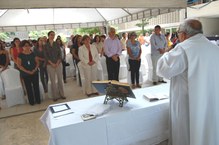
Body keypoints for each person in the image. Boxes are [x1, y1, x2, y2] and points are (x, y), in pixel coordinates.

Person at [157, 19, 219, 145]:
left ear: (184, 34)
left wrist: (168, 51)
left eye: (178, 32)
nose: (178, 36)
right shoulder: (214, 47)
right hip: (210, 100)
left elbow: (162, 69)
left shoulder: (183, 49)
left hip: (188, 103)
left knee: (186, 134)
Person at [44, 31, 65, 101]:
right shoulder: (45, 45)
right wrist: (52, 63)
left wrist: (57, 62)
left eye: (53, 35)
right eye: (51, 35)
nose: (52, 36)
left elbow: (60, 54)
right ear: (48, 36)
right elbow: (46, 56)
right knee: (53, 81)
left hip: (58, 64)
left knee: (60, 79)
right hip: (50, 65)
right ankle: (55, 96)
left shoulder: (57, 44)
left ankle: (62, 94)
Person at [17, 40, 40, 105]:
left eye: (28, 46)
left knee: (36, 87)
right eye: (25, 46)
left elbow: (37, 62)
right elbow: (19, 65)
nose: (27, 47)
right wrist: (27, 71)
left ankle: (38, 100)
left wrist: (35, 69)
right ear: (22, 47)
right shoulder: (20, 55)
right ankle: (31, 102)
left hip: (34, 72)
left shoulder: (33, 53)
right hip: (25, 74)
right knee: (28, 88)